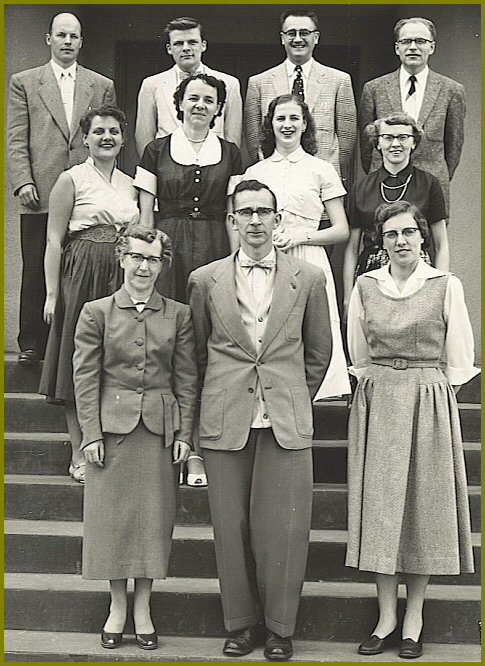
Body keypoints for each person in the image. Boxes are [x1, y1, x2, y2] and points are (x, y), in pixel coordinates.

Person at [188, 179, 332, 661]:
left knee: (285, 529)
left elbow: (318, 352)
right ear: (231, 220)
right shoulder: (205, 280)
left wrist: (291, 396)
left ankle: (280, 628)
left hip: (285, 418)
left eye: (263, 212)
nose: (254, 220)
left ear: (277, 219)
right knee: (230, 527)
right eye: (244, 212)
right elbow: (196, 356)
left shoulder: (308, 279)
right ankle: (241, 624)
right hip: (225, 417)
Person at [345, 200, 477, 660]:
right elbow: (359, 354)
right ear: (380, 243)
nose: (401, 242)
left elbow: (460, 359)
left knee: (422, 506)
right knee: (382, 509)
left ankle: (414, 617)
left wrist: (431, 397)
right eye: (391, 234)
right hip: (379, 398)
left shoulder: (445, 285)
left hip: (428, 399)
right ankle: (385, 617)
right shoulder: (366, 286)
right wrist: (385, 384)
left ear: (423, 236)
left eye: (408, 233)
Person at [73, 224, 197, 651]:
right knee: (112, 521)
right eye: (138, 257)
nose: (145, 266)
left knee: (152, 521)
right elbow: (84, 378)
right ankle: (116, 607)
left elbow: (186, 379)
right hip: (111, 432)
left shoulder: (178, 314)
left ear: (162, 265)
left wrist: (185, 434)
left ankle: (143, 607)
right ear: (122, 259)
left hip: (159, 432)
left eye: (153, 259)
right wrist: (89, 434)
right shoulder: (96, 312)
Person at [135, 72, 241, 486]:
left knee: (207, 350)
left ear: (219, 108)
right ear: (179, 104)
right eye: (192, 98)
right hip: (169, 249)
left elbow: (233, 215)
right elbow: (146, 217)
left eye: (208, 100)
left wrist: (235, 265)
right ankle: (162, 449)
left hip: (214, 248)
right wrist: (147, 263)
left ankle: (196, 450)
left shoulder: (231, 154)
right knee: (166, 346)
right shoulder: (155, 150)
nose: (200, 105)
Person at [7, 12, 116, 364]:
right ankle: (32, 343)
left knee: (79, 266)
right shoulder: (25, 82)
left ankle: (71, 339)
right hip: (39, 190)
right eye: (61, 35)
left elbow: (103, 135)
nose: (68, 42)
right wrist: (23, 180)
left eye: (74, 36)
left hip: (85, 188)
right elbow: (16, 138)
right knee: (38, 265)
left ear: (81, 41)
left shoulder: (100, 84)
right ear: (49, 39)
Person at [38, 106, 139, 484]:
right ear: (85, 138)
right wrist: (51, 294)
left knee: (116, 355)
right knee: (77, 356)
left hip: (119, 273)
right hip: (81, 271)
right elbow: (53, 239)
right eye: (98, 132)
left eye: (114, 131)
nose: (106, 137)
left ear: (123, 138)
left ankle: (110, 443)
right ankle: (79, 449)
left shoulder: (131, 183)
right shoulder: (71, 179)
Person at [236, 94, 350, 399]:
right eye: (280, 119)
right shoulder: (256, 172)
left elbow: (341, 229)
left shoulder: (321, 168)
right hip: (265, 257)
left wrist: (301, 237)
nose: (287, 125)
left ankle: (317, 392)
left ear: (305, 125)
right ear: (270, 125)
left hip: (308, 255)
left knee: (312, 325)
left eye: (294, 119)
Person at [343, 112, 449, 313]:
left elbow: (441, 243)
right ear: (377, 143)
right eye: (388, 137)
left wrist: (440, 288)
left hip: (416, 269)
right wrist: (348, 295)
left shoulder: (429, 184)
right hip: (371, 272)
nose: (395, 144)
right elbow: (351, 249)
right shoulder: (361, 187)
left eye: (403, 137)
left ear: (414, 143)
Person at [359, 17, 466, 212]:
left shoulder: (452, 90)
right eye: (406, 41)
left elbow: (454, 143)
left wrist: (437, 175)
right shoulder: (374, 88)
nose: (413, 47)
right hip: (385, 183)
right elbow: (367, 144)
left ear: (431, 47)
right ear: (397, 48)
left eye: (421, 41)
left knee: (430, 241)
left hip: (431, 182)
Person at [245, 9, 356, 185]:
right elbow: (254, 140)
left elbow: (346, 141)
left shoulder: (339, 80)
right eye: (291, 33)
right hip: (274, 178)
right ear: (282, 38)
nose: (297, 39)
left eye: (304, 33)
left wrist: (329, 174)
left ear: (316, 37)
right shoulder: (259, 83)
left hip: (322, 179)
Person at [135, 16, 242, 157]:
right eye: (179, 43)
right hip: (165, 169)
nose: (186, 48)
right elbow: (144, 138)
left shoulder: (229, 84)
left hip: (213, 165)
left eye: (192, 42)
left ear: (203, 45)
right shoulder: (152, 84)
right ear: (169, 49)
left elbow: (232, 138)